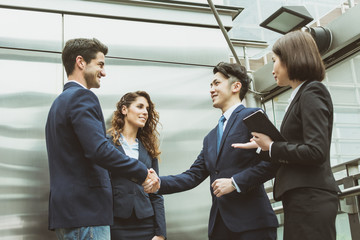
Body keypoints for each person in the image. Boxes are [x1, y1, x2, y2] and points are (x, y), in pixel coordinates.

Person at [145, 62, 278, 240]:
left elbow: (273, 161)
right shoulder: (211, 137)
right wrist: (159, 183)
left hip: (252, 224)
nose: (211, 90)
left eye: (217, 83)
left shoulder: (252, 115)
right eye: (210, 85)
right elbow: (192, 175)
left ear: (236, 86)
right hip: (220, 227)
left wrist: (235, 182)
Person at [45, 38, 159, 240]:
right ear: (81, 62)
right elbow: (98, 150)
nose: (104, 72)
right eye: (100, 64)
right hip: (86, 211)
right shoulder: (82, 97)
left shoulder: (58, 104)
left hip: (68, 212)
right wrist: (142, 172)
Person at [233, 30, 340, 240]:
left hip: (310, 199)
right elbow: (298, 147)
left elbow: (316, 150)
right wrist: (261, 146)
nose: (272, 68)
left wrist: (272, 146)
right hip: (303, 198)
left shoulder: (312, 91)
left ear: (291, 58)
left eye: (274, 60)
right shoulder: (301, 94)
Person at [107, 91, 166, 240]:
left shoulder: (148, 147)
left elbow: (156, 192)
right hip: (116, 223)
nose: (145, 112)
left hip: (146, 223)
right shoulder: (107, 144)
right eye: (140, 107)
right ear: (124, 110)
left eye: (147, 109)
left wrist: (160, 233)